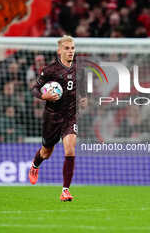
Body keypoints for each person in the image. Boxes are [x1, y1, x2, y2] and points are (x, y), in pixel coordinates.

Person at [28, 35, 87, 202]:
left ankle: (65, 191)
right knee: (46, 152)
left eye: (73, 48)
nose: (70, 51)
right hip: (52, 117)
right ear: (59, 50)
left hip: (70, 116)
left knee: (70, 148)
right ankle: (35, 165)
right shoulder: (50, 70)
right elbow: (34, 89)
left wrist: (82, 98)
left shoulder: (78, 68)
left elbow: (78, 87)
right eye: (67, 48)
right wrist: (43, 96)